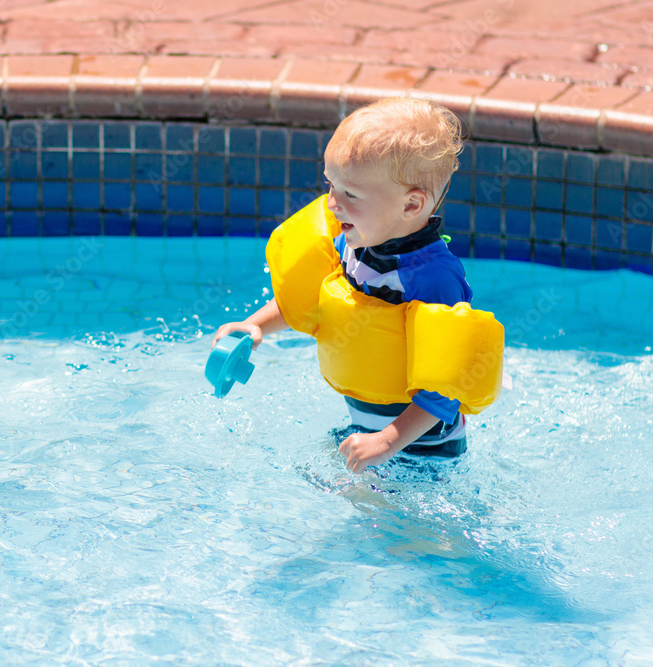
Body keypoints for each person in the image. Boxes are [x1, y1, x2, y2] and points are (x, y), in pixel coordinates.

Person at [212, 96, 502, 474]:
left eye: (351, 194)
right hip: (366, 433)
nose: (332, 204)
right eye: (331, 185)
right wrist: (256, 325)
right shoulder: (355, 243)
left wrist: (387, 442)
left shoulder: (433, 280)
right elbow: (312, 300)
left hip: (423, 452)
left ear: (411, 206)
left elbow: (446, 387)